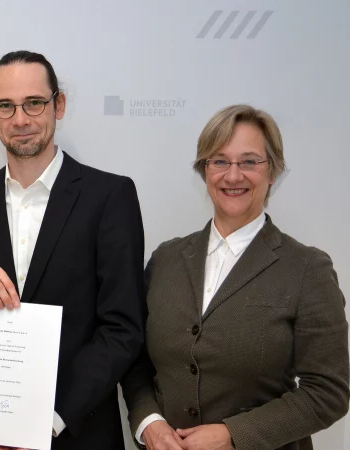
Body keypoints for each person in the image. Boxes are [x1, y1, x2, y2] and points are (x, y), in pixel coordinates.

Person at [0, 50, 146, 450]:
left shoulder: (110, 196)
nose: (20, 119)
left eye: (34, 103)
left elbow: (123, 328)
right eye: (6, 106)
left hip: (75, 431)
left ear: (59, 104)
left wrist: (44, 420)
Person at [121, 104, 349, 450]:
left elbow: (328, 392)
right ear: (205, 170)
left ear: (272, 171)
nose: (233, 175)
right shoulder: (165, 259)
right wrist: (148, 422)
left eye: (249, 161)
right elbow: (135, 360)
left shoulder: (307, 269)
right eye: (220, 161)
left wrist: (233, 435)